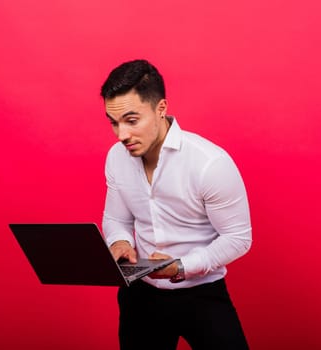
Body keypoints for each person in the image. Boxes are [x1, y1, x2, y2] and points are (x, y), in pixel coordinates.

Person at [100, 59, 252, 350]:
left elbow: (238, 238)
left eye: (131, 121)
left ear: (161, 109)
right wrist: (118, 242)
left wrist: (181, 267)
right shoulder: (116, 158)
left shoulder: (210, 164)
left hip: (202, 294)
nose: (122, 135)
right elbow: (117, 219)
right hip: (140, 296)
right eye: (113, 122)